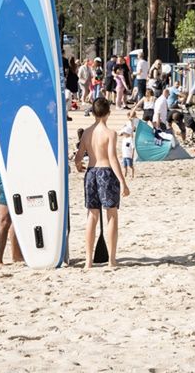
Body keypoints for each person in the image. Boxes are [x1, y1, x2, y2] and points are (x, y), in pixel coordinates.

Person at [72, 98, 130, 268]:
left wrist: (78, 165)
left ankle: (88, 261)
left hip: (91, 173)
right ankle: (111, 260)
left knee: (92, 215)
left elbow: (78, 156)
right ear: (108, 113)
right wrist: (122, 181)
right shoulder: (110, 133)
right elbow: (112, 158)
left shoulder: (86, 133)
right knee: (111, 215)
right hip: (106, 172)